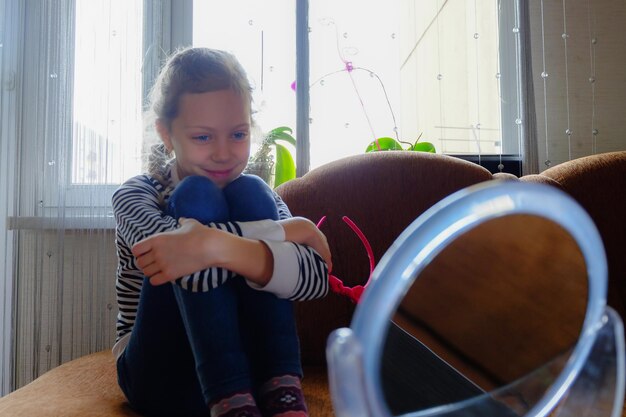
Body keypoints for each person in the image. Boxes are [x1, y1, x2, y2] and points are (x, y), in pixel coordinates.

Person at [112, 47, 331, 417]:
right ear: (166, 134)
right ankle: (228, 398)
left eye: (238, 134)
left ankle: (280, 390)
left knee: (251, 189)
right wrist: (290, 233)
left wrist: (211, 243)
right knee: (195, 195)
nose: (223, 153)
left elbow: (315, 279)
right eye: (202, 137)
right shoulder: (136, 196)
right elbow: (180, 260)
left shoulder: (262, 201)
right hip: (161, 369)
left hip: (251, 369)